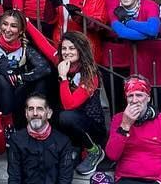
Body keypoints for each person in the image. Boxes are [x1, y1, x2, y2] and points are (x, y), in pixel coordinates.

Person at [36, 25, 108, 174]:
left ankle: (94, 151)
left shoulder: (90, 75)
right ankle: (68, 148)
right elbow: (43, 44)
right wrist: (26, 21)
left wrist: (63, 78)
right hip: (71, 127)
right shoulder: (61, 62)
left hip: (91, 128)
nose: (67, 52)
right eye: (64, 48)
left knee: (65, 115)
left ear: (80, 50)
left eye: (72, 48)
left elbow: (70, 105)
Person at [103, 0, 161, 112]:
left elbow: (152, 29)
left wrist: (128, 21)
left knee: (159, 100)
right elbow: (122, 33)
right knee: (138, 97)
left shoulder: (149, 5)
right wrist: (146, 32)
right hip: (137, 56)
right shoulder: (115, 10)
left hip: (158, 56)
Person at [0, 9, 53, 128]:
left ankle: (38, 122)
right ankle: (8, 125)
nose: (7, 29)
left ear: (21, 30)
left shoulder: (25, 48)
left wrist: (21, 77)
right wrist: (1, 71)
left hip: (14, 95)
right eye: (5, 24)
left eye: (13, 26)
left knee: (42, 81)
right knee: (1, 80)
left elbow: (45, 68)